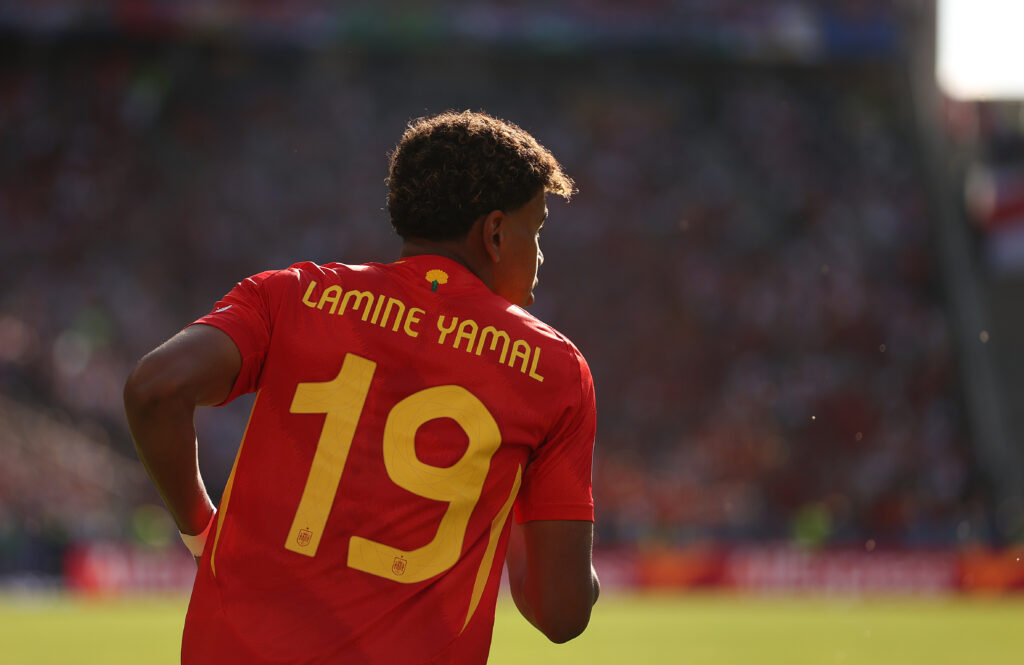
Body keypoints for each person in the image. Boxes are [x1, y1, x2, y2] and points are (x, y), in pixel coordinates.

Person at [123, 110, 600, 664]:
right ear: (494, 233)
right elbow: (559, 614)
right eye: (535, 230)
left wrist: (201, 531)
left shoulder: (292, 294)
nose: (540, 257)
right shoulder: (551, 369)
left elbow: (154, 389)